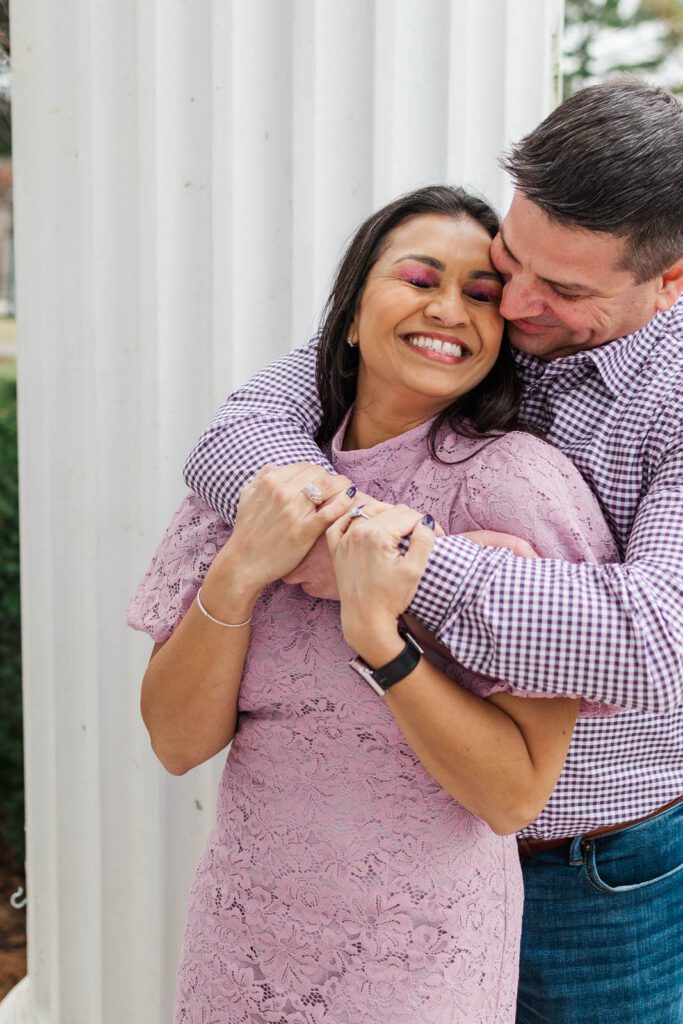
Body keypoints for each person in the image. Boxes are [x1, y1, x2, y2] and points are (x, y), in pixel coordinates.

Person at [182, 78, 683, 1023]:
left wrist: (408, 569)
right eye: (512, 261)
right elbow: (243, 431)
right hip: (414, 860)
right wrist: (336, 539)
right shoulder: (467, 309)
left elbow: (659, 643)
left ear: (670, 280)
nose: (520, 305)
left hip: (596, 873)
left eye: (565, 290)